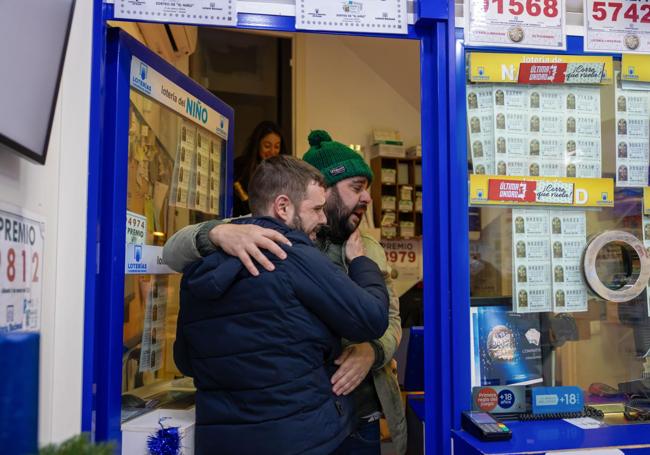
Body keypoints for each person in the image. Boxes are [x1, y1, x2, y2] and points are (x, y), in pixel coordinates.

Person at [163, 130, 407, 454]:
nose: (367, 198)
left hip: (355, 413)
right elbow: (171, 251)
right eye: (356, 188)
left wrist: (372, 351)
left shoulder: (368, 249)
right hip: (307, 425)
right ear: (324, 190)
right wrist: (217, 232)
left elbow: (389, 319)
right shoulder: (253, 236)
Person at [233, 121, 289, 216]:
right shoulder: (241, 166)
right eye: (267, 146)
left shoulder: (283, 171)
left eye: (277, 146)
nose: (272, 151)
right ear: (257, 144)